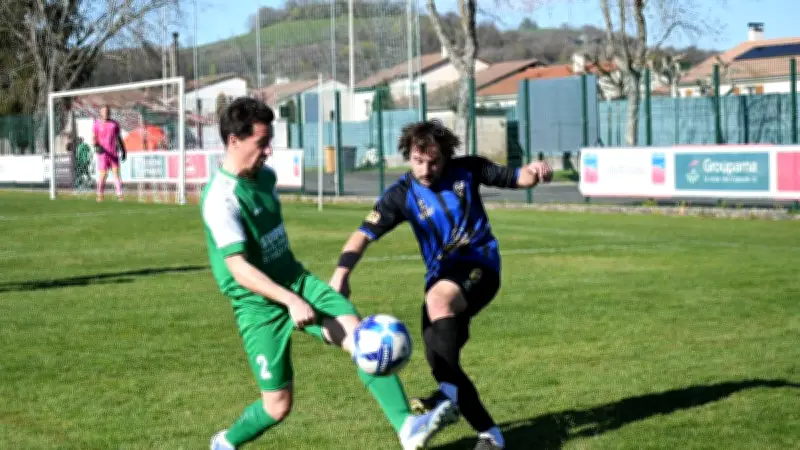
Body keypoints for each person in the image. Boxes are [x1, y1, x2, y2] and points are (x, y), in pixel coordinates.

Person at [201, 98, 459, 450]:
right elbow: (238, 268)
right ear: (234, 141)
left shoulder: (266, 177)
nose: (268, 151)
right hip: (256, 303)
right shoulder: (220, 198)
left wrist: (297, 291)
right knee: (278, 406)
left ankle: (407, 427)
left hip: (297, 280)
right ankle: (225, 443)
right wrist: (289, 301)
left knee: (362, 336)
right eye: (261, 143)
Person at [329, 120, 553, 450]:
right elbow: (362, 235)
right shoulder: (401, 195)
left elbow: (515, 177)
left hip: (480, 265)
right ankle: (490, 435)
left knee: (438, 303)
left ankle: (448, 396)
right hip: (441, 275)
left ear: (446, 156)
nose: (426, 169)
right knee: (440, 362)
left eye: (433, 161)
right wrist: (340, 274)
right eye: (418, 161)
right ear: (408, 157)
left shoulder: (469, 170)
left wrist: (535, 171)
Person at [92, 105, 126, 201]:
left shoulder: (114, 124)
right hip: (103, 154)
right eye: (103, 111)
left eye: (107, 111)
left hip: (113, 153)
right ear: (100, 113)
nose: (105, 113)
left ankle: (120, 195)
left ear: (109, 112)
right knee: (103, 174)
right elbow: (94, 137)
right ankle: (99, 194)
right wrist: (96, 146)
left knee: (116, 173)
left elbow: (119, 137)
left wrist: (123, 149)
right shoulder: (96, 124)